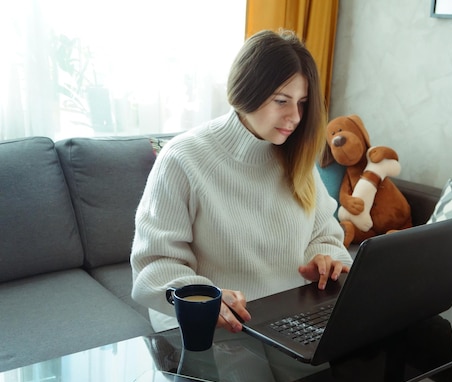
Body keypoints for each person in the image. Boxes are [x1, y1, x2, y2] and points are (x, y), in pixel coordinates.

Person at [131, 29, 353, 333]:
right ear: (247, 91)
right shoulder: (183, 159)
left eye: (302, 103)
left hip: (293, 322)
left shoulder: (297, 157)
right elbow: (154, 265)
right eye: (281, 101)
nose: (296, 117)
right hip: (213, 329)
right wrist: (205, 299)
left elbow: (325, 235)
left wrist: (325, 260)